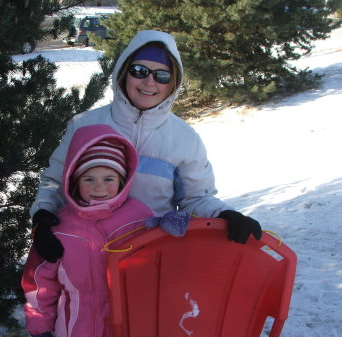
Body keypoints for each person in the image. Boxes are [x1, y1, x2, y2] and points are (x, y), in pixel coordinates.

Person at [30, 30, 262, 263]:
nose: (150, 82)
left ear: (173, 83)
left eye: (162, 75)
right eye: (139, 71)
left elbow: (195, 198)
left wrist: (224, 215)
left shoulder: (184, 139)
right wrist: (43, 215)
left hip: (151, 257)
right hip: (86, 253)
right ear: (123, 73)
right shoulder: (85, 125)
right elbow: (56, 181)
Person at [21, 124, 159, 337]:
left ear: (122, 180)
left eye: (108, 179)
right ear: (74, 180)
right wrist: (40, 328)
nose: (98, 187)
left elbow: (161, 262)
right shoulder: (60, 227)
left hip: (132, 324)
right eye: (89, 179)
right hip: (76, 327)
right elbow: (39, 282)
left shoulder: (140, 216)